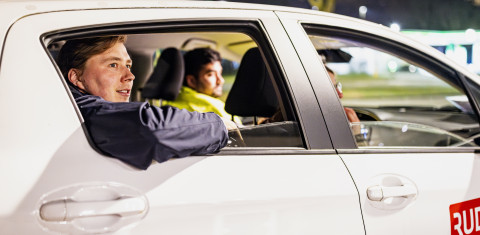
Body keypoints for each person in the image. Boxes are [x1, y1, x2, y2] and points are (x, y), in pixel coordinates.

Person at [57, 35, 236, 170]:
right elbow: (151, 129)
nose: (130, 76)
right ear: (76, 77)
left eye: (128, 66)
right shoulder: (85, 110)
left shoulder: (69, 105)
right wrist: (219, 125)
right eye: (113, 65)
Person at [162, 48, 242, 124]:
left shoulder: (169, 109)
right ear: (192, 81)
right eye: (210, 75)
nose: (221, 80)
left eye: (220, 73)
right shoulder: (214, 108)